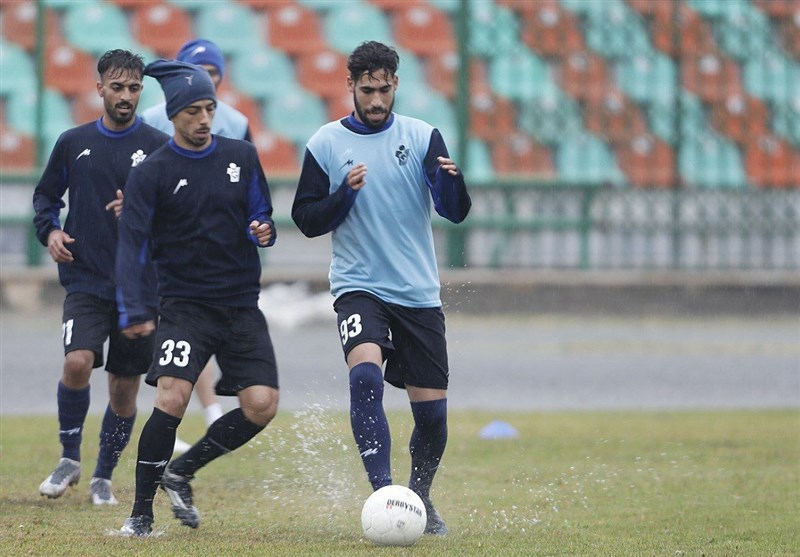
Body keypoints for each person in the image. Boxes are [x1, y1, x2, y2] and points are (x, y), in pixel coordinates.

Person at [291, 41, 471, 537]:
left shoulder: (421, 136)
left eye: (384, 90)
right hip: (359, 286)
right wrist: (343, 194)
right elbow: (305, 219)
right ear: (350, 85)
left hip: (417, 292)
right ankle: (383, 493)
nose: (376, 100)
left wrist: (452, 184)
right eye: (367, 90)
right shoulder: (325, 143)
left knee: (432, 416)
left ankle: (418, 496)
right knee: (365, 374)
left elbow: (454, 211)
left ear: (396, 86)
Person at [115, 59, 279, 537]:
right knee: (172, 397)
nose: (204, 118)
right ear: (173, 115)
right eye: (193, 111)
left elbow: (262, 213)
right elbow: (132, 246)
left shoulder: (241, 156)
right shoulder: (152, 173)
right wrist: (135, 309)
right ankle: (139, 515)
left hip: (241, 304)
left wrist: (263, 230)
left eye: (209, 108)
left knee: (262, 405)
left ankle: (182, 471)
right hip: (185, 306)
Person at [32, 49, 169, 506]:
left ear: (141, 91)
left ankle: (103, 475)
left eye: (133, 88)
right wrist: (50, 230)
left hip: (138, 288)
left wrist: (140, 213)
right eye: (117, 87)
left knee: (124, 387)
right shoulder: (73, 142)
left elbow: (174, 214)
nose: (126, 96)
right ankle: (69, 456)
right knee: (77, 362)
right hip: (85, 278)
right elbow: (45, 198)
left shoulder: (156, 146)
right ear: (100, 89)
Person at [141, 38, 251, 450]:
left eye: (214, 75)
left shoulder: (237, 124)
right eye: (198, 73)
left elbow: (249, 190)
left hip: (217, 258)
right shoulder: (152, 120)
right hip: (166, 254)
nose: (207, 82)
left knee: (191, 336)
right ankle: (193, 419)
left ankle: (205, 417)